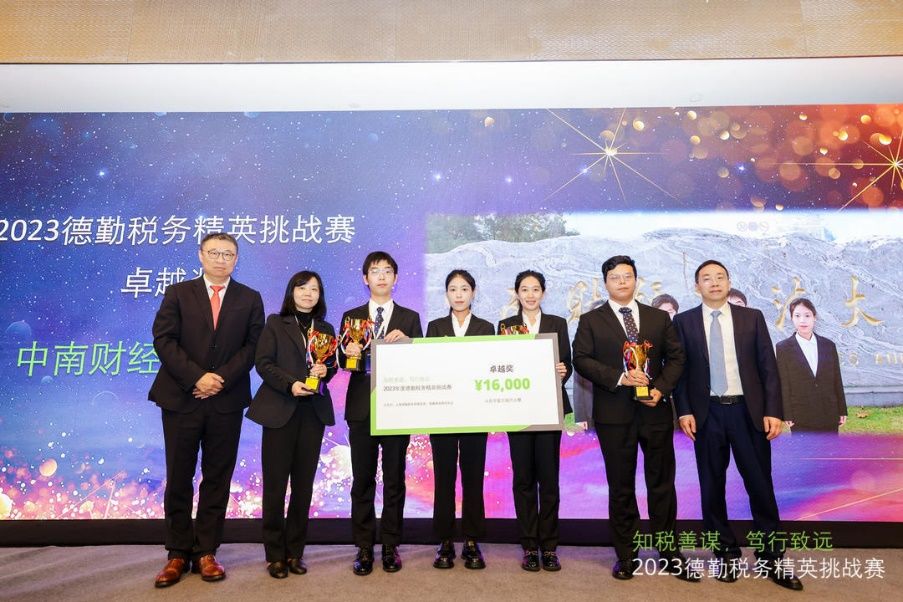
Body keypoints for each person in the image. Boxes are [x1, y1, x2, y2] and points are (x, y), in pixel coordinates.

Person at [673, 260, 803, 591]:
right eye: (707, 278)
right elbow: (679, 371)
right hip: (707, 415)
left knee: (760, 486)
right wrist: (683, 410)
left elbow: (768, 367)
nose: (714, 282)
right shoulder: (684, 322)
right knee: (711, 488)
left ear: (729, 283)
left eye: (720, 277)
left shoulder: (751, 317)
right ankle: (725, 554)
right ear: (697, 286)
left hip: (748, 412)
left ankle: (771, 557)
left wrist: (773, 410)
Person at [149, 232, 265, 588]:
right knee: (179, 476)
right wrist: (196, 377)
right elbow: (163, 339)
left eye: (228, 254)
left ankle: (206, 552)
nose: (221, 259)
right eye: (214, 252)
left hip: (226, 401)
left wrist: (219, 380)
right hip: (181, 399)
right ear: (201, 256)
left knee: (217, 477)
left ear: (236, 259)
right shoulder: (178, 293)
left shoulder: (250, 298)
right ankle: (177, 553)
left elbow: (253, 347)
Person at [572, 256, 691, 582]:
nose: (622, 282)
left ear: (636, 280)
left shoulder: (657, 317)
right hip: (614, 415)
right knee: (621, 486)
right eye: (615, 277)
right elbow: (581, 359)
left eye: (627, 276)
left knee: (662, 485)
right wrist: (620, 378)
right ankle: (626, 554)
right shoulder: (592, 320)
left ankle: (670, 553)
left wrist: (661, 389)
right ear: (605, 283)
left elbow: (677, 357)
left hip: (654, 411)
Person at [247, 271, 337, 578]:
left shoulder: (325, 328)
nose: (308, 293)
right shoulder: (275, 323)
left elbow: (331, 367)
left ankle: (295, 552)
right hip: (280, 410)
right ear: (292, 292)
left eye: (315, 289)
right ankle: (275, 554)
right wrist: (290, 384)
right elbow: (263, 363)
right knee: (275, 486)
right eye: (302, 288)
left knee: (303, 486)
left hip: (313, 413)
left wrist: (326, 370)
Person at [339, 251, 423, 575]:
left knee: (394, 480)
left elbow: (422, 363)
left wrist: (410, 343)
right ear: (365, 278)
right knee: (362, 480)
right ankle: (363, 546)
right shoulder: (351, 316)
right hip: (361, 408)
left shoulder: (410, 317)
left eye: (388, 271)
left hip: (397, 407)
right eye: (375, 271)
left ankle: (390, 545)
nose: (382, 276)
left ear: (396, 278)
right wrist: (349, 352)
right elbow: (342, 363)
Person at [497, 270, 571, 572]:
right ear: (517, 293)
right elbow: (500, 364)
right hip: (518, 410)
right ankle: (529, 545)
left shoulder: (557, 323)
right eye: (525, 289)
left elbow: (567, 362)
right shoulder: (505, 326)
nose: (530, 295)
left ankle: (549, 546)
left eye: (536, 289)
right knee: (524, 480)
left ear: (543, 292)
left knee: (549, 480)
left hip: (549, 409)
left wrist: (563, 369)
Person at [425, 269, 495, 570]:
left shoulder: (486, 327)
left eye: (464, 289)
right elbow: (427, 367)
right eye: (453, 289)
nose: (458, 294)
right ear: (446, 294)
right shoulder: (435, 326)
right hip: (442, 412)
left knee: (473, 478)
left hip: (475, 412)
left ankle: (471, 540)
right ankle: (444, 540)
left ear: (473, 293)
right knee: (443, 478)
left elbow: (490, 366)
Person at [776, 298, 847, 433]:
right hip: (801, 414)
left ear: (814, 317)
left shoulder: (828, 345)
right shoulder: (783, 348)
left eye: (807, 315)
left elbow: (836, 379)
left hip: (829, 411)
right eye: (797, 316)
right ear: (792, 318)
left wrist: (842, 409)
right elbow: (784, 383)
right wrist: (787, 413)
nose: (802, 320)